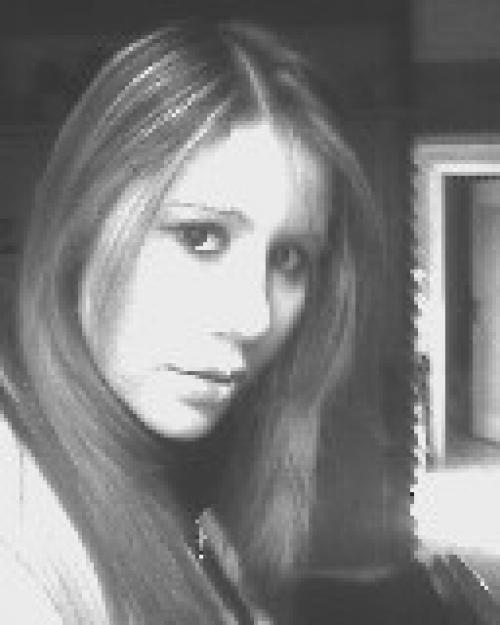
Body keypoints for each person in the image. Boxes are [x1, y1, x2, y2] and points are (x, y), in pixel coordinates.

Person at [0, 19, 491, 625]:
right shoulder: (17, 530)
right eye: (200, 237)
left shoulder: (177, 465)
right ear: (81, 225)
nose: (254, 316)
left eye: (288, 258)